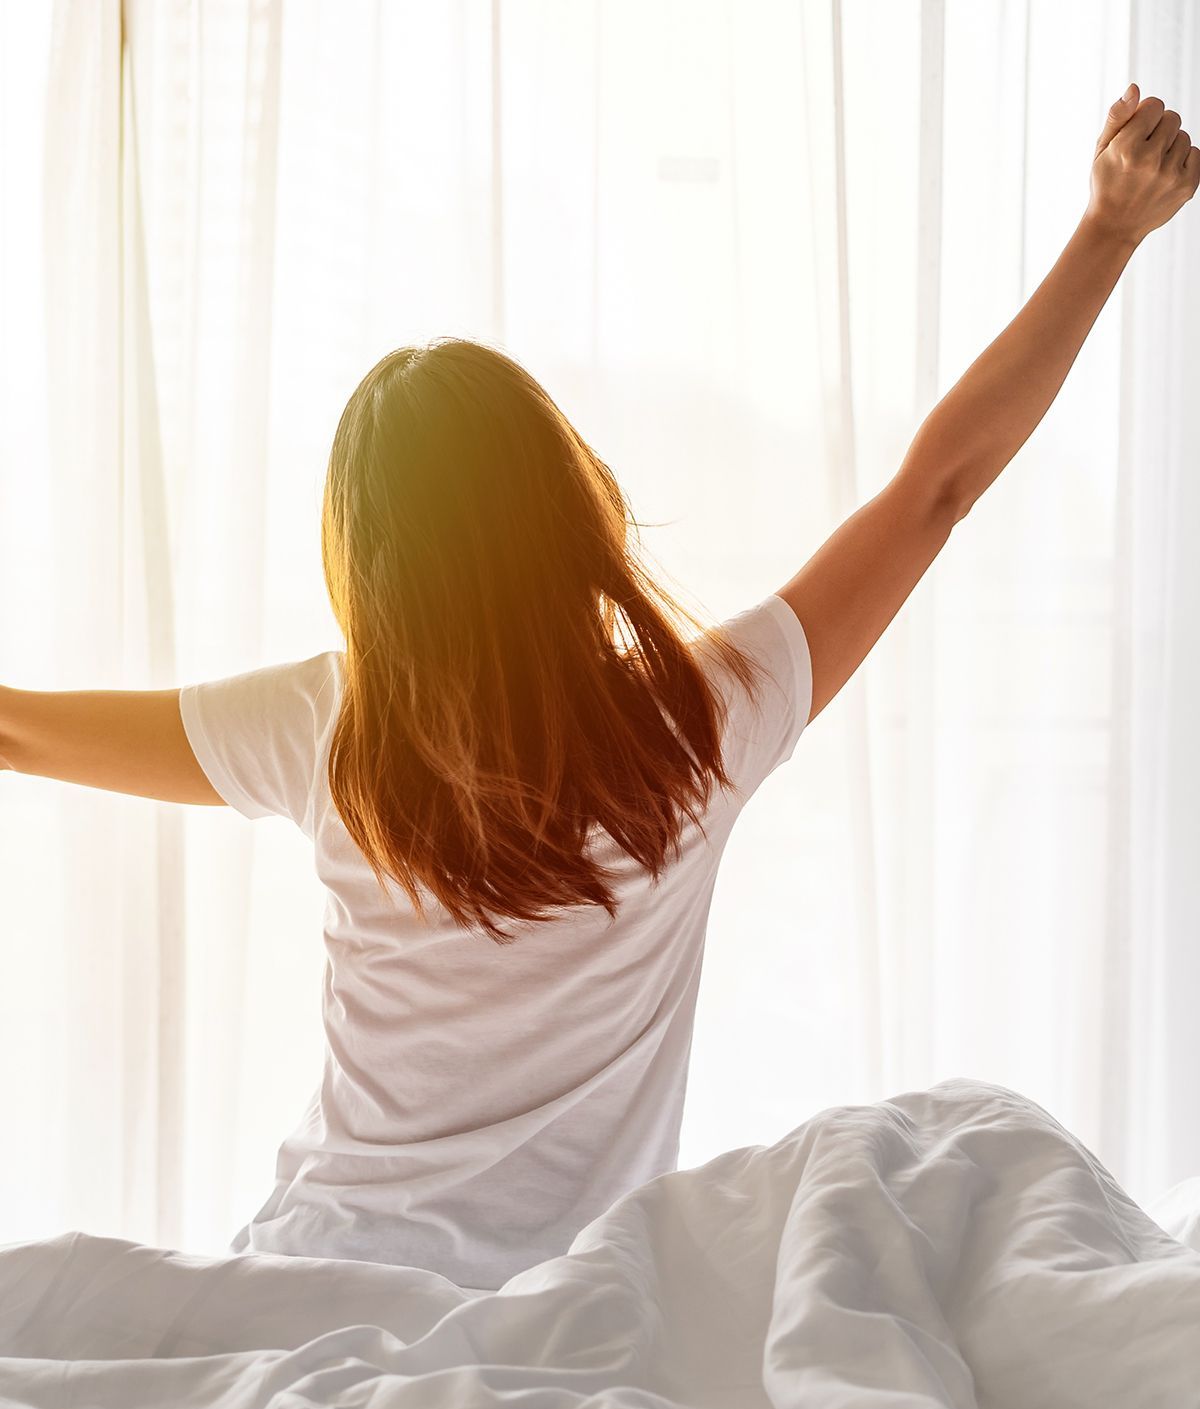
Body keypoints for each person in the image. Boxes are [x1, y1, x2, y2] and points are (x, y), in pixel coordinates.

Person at [0, 85, 1194, 1293]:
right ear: (567, 510)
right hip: (558, 1308)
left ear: (368, 566)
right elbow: (936, 487)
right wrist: (1106, 233)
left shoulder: (328, 725)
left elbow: (18, 732)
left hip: (307, 1278)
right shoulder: (700, 721)